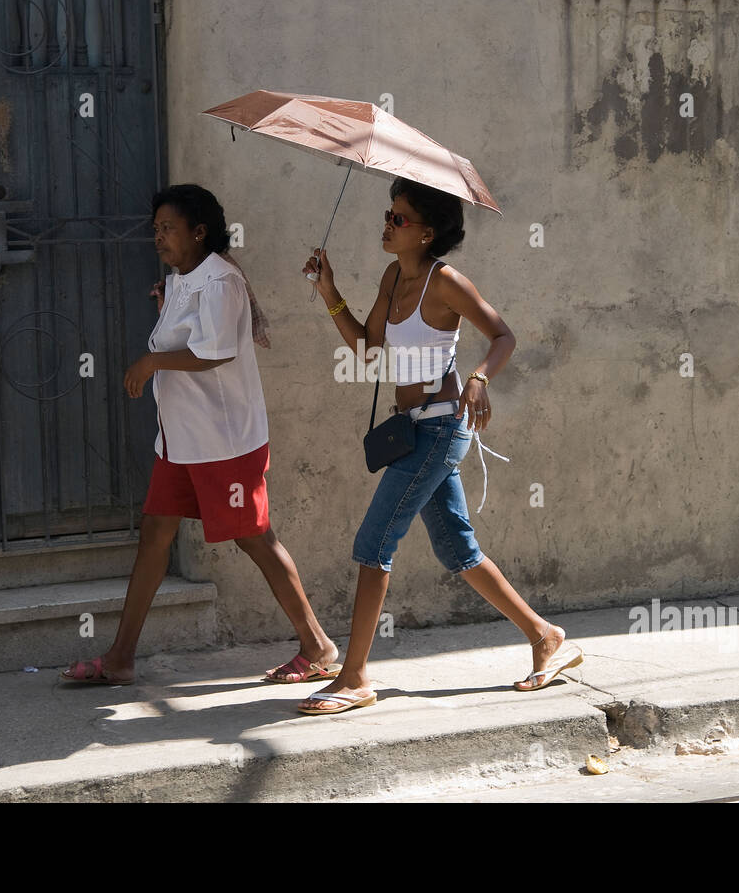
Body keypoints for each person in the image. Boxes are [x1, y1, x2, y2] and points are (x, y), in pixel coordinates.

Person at [295, 178, 582, 714]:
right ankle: (545, 636)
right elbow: (367, 349)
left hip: (440, 428)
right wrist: (328, 291)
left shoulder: (445, 283)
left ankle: (354, 676)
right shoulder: (392, 276)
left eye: (398, 219)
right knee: (457, 551)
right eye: (388, 214)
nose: (387, 223)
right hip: (412, 427)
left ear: (426, 233)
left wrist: (480, 378)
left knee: (374, 540)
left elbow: (503, 335)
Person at [62, 184, 340, 686]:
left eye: (168, 229)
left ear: (199, 231)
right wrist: (170, 305)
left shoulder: (219, 282)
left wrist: (151, 362)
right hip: (181, 441)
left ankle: (317, 644)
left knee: (254, 536)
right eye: (156, 229)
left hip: (223, 443)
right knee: (154, 537)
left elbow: (214, 352)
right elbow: (195, 333)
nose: (158, 238)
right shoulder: (186, 279)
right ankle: (121, 658)